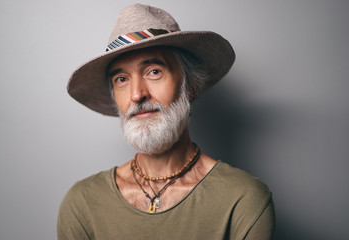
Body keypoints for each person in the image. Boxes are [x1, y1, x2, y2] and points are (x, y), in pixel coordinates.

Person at [57, 3, 275, 240]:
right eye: (122, 79)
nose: (137, 94)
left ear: (189, 85)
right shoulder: (82, 203)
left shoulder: (243, 200)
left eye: (154, 71)